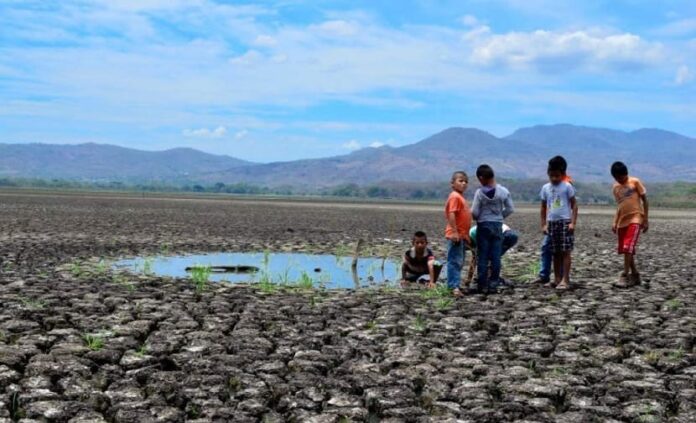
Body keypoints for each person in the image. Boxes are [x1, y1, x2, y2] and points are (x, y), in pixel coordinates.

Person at [470, 164, 515, 293]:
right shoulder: (503, 191)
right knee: (496, 256)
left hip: (483, 225)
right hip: (497, 225)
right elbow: (511, 208)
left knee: (482, 255)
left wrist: (477, 218)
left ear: (481, 178)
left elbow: (474, 211)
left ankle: (482, 284)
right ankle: (493, 283)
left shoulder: (479, 193)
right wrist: (500, 216)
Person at [533, 156, 576, 284]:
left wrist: (573, 222)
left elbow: (574, 204)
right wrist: (543, 224)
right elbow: (543, 206)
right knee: (553, 251)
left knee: (564, 251)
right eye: (551, 176)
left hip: (564, 221)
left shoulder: (567, 185)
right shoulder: (546, 187)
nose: (554, 179)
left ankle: (564, 279)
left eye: (557, 176)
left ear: (563, 174)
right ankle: (555, 277)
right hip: (552, 223)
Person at [611, 161, 649, 288]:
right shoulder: (616, 187)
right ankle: (635, 275)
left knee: (628, 246)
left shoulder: (635, 182)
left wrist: (646, 219)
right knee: (627, 249)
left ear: (626, 174)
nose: (620, 180)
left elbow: (645, 200)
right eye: (617, 178)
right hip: (622, 221)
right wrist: (615, 221)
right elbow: (619, 206)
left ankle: (625, 275)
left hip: (636, 218)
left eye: (622, 177)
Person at [445, 171, 472, 297]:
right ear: (452, 183)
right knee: (454, 261)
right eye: (460, 181)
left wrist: (465, 236)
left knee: (459, 261)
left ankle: (455, 284)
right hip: (455, 235)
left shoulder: (461, 197)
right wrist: (455, 232)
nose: (464, 183)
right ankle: (453, 287)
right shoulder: (455, 196)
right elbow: (451, 214)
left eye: (466, 181)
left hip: (461, 236)